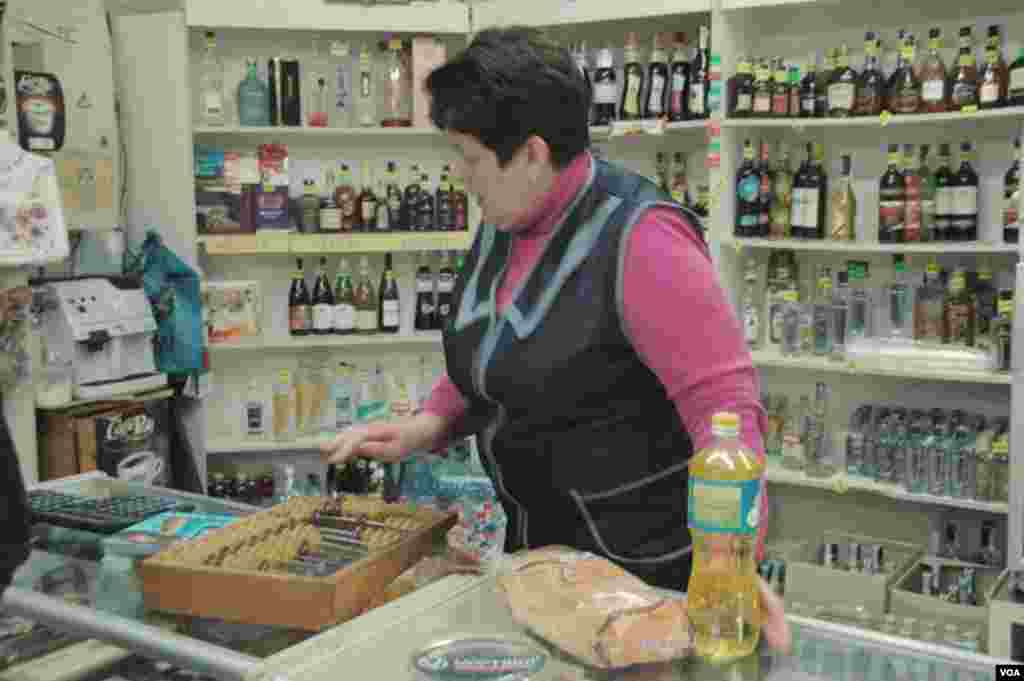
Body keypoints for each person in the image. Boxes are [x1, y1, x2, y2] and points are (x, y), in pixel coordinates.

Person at [322, 26, 785, 645]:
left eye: (469, 156)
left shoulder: (645, 241)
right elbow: (499, 348)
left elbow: (726, 413)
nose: (459, 175)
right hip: (540, 563)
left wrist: (729, 569)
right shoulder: (506, 218)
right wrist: (428, 423)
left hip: (651, 580)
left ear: (533, 153)